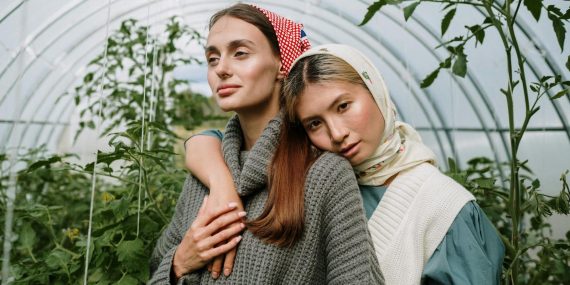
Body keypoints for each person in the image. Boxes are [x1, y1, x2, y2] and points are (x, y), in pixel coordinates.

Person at [185, 44, 505, 284]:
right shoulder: (307, 181)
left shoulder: (443, 207)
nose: (337, 134)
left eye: (344, 105)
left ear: (375, 89)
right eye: (314, 124)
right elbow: (218, 139)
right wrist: (220, 182)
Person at [149, 5, 383, 284]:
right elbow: (157, 266)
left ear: (282, 64)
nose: (221, 69)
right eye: (212, 58)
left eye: (240, 53)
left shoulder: (325, 173)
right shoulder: (207, 172)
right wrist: (179, 262)